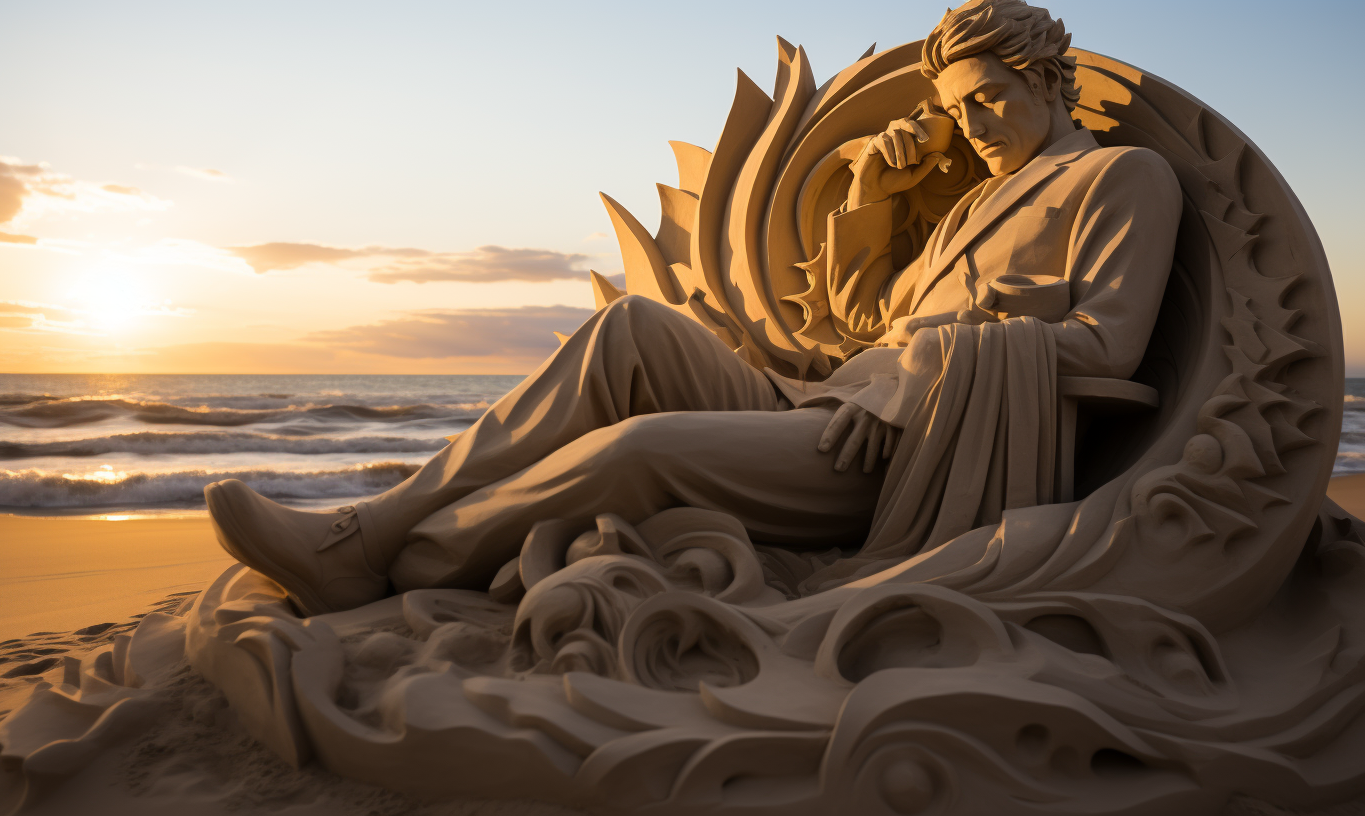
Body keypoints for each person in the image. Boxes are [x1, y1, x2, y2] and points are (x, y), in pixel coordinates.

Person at [205, 0, 1182, 616]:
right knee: (629, 329)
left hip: (911, 448)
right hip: (841, 405)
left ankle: (409, 560)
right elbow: (864, 328)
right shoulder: (973, 196)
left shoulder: (1119, 179)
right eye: (961, 107)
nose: (974, 126)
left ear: (1048, 82)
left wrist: (927, 377)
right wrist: (871, 201)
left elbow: (1108, 346)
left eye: (992, 98)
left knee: (642, 449)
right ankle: (373, 528)